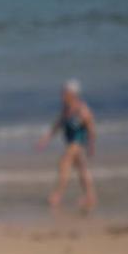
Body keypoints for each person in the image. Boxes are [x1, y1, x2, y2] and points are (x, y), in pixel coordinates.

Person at [35, 79, 97, 212]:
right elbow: (57, 125)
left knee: (64, 163)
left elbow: (91, 128)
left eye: (64, 92)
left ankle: (58, 195)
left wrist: (91, 145)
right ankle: (90, 196)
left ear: (72, 94)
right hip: (70, 142)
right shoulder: (66, 109)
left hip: (78, 142)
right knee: (82, 170)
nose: (62, 94)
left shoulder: (82, 109)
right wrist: (45, 140)